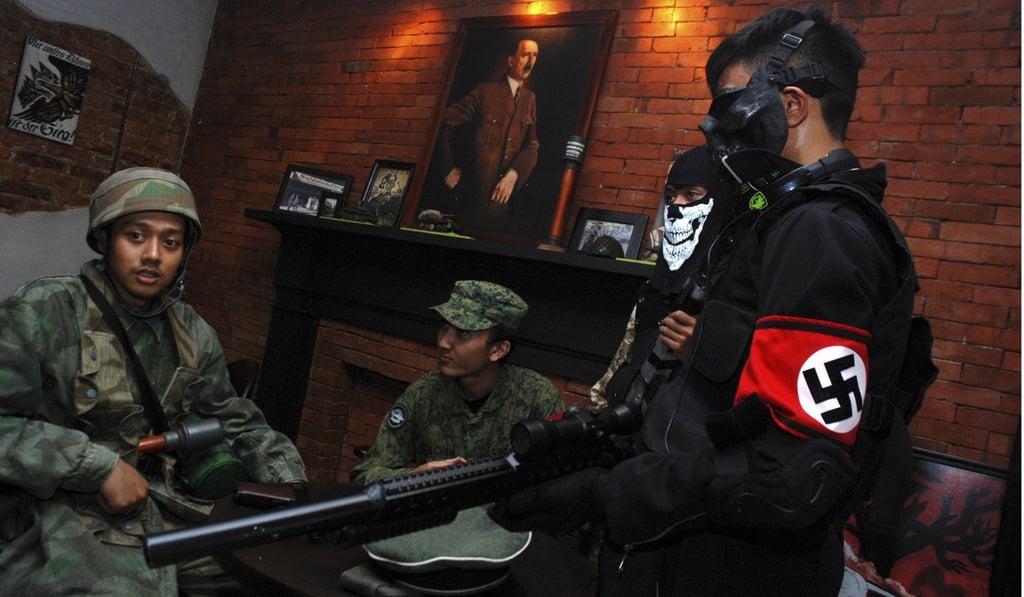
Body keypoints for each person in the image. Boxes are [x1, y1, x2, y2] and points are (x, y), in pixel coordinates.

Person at [492, 6, 921, 596]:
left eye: (731, 105)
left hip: (725, 570)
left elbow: (791, 473)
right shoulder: (776, 221)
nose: (715, 127)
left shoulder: (821, 231)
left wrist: (607, 496)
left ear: (792, 106)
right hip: (681, 547)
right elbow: (712, 405)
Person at [0, 167, 307, 596]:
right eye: (136, 236)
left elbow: (237, 421)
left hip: (165, 508)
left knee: (281, 575)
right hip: (58, 516)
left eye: (171, 242)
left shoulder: (192, 332)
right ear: (105, 239)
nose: (153, 255)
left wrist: (292, 487)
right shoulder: (44, 311)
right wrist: (95, 466)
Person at [352, 280, 563, 485]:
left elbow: (559, 483)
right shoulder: (424, 394)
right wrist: (414, 476)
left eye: (463, 333)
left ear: (498, 350)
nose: (443, 342)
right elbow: (365, 474)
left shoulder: (537, 397)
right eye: (445, 327)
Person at [589, 145, 735, 411]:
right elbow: (622, 362)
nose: (676, 206)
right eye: (670, 197)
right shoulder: (654, 289)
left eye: (691, 195)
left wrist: (703, 352)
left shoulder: (730, 292)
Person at [429, 38, 540, 233]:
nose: (530, 61)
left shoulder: (530, 99)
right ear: (511, 60)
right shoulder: (485, 91)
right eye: (525, 54)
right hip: (471, 200)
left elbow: (532, 145)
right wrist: (447, 168)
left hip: (501, 209)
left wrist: (514, 174)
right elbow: (441, 122)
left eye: (535, 55)